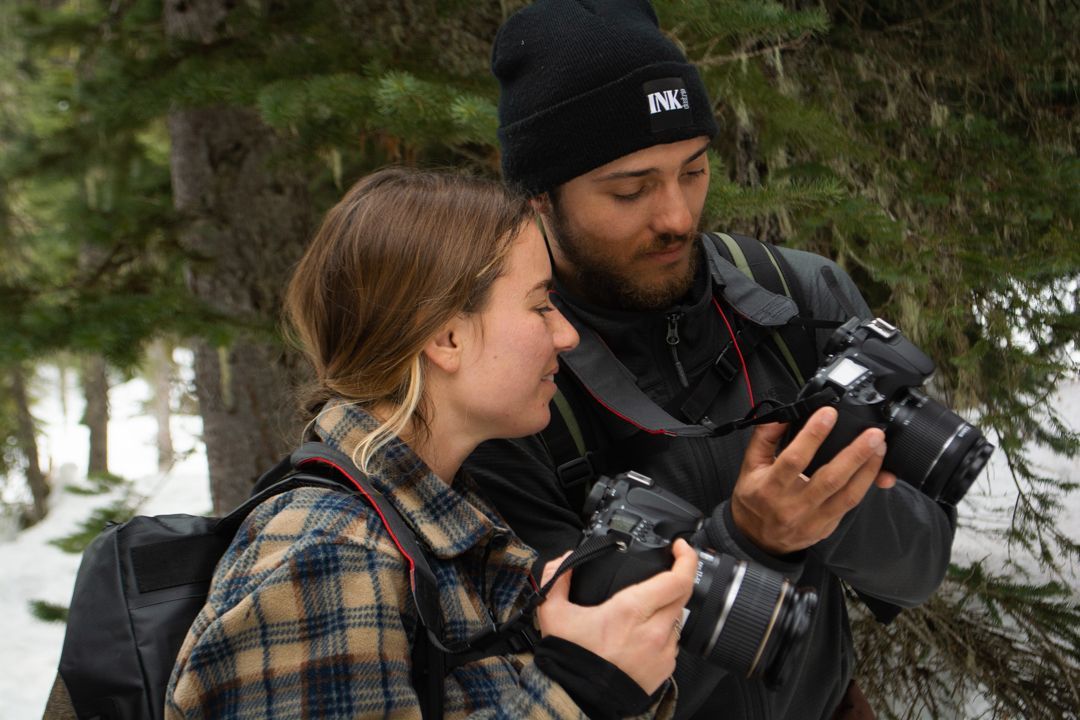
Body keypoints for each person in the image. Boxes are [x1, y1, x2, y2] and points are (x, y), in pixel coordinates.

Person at [464, 2, 957, 719]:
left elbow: (919, 570)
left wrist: (826, 503)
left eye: (693, 170)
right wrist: (750, 543)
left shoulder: (799, 296)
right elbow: (557, 693)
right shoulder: (509, 383)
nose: (677, 215)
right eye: (630, 189)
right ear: (541, 197)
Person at [164, 167, 698, 720]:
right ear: (447, 337)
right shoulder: (331, 556)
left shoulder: (440, 530)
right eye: (540, 305)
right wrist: (582, 690)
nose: (565, 334)